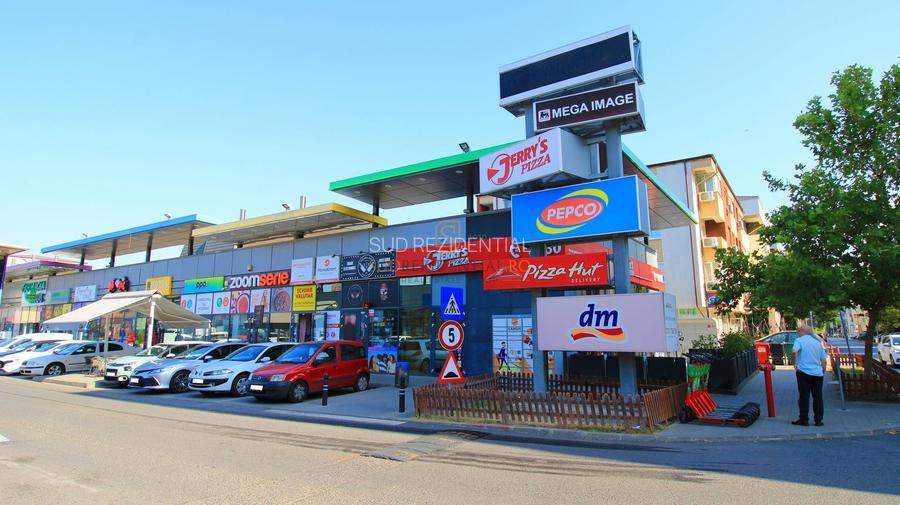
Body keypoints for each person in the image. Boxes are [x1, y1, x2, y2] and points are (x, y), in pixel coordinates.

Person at [792, 324, 828, 426]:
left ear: (802, 332)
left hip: (803, 372)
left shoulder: (799, 341)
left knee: (804, 396)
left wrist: (794, 364)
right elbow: (823, 360)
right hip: (817, 373)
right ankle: (818, 420)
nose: (797, 334)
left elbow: (794, 352)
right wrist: (823, 370)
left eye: (798, 332)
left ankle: (804, 419)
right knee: (818, 396)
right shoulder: (817, 343)